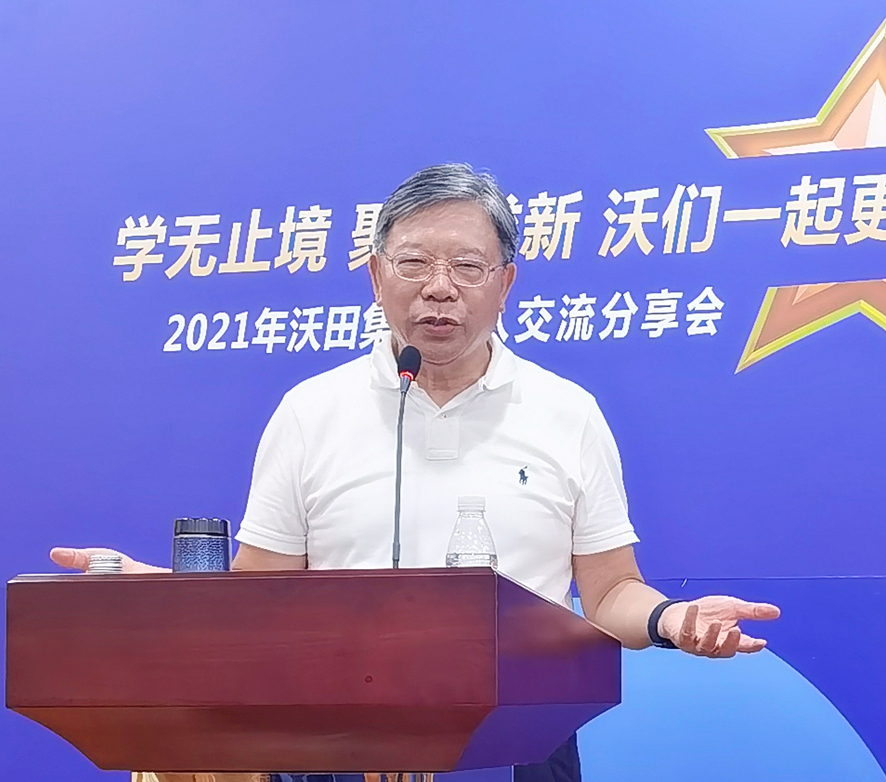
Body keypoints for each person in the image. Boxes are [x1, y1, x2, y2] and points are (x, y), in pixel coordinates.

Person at [51, 163, 780, 782]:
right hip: (336, 747)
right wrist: (165, 595)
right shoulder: (310, 410)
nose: (439, 288)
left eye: (467, 267)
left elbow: (609, 590)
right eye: (413, 264)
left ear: (505, 283)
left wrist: (668, 620)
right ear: (375, 276)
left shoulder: (567, 412)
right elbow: (259, 600)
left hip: (517, 747)